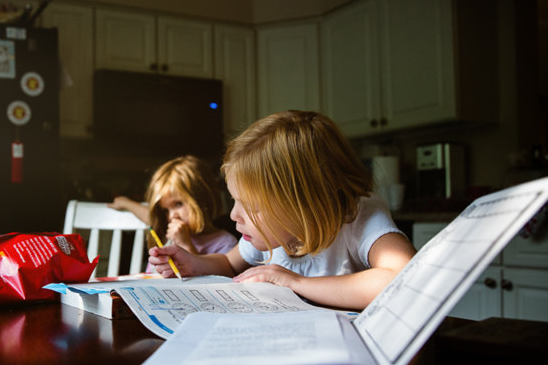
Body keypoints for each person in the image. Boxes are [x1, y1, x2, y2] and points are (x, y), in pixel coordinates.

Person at [148, 111, 416, 310]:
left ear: (303, 202)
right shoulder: (271, 233)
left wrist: (295, 282)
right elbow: (229, 264)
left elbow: (403, 278)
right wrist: (192, 263)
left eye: (251, 206)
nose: (234, 216)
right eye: (234, 200)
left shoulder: (358, 215)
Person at [108, 155, 237, 265]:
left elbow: (206, 286)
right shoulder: (167, 228)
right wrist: (125, 202)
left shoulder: (225, 244)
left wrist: (185, 245)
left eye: (178, 204)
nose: (171, 216)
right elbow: (150, 216)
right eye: (165, 210)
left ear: (203, 199)